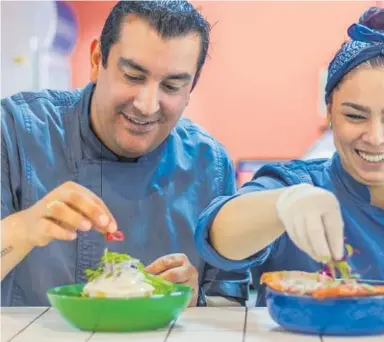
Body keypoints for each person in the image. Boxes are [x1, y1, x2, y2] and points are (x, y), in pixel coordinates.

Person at [194, 7, 384, 307]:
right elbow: (220, 237)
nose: (375, 136)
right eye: (355, 116)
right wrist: (283, 205)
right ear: (330, 113)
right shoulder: (294, 184)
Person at [1, 0, 250, 307]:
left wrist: (197, 302)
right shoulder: (15, 132)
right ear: (96, 60)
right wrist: (23, 229)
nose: (147, 105)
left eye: (171, 86)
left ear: (190, 90)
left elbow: (231, 305)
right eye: (133, 76)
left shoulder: (210, 165)